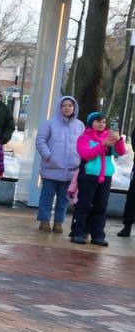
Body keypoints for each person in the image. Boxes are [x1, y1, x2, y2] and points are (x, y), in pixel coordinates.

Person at [70, 111, 126, 247]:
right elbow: (86, 155)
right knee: (84, 205)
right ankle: (78, 233)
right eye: (98, 121)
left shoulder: (109, 137)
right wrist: (102, 144)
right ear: (91, 123)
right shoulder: (84, 138)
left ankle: (98, 235)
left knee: (101, 207)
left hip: (105, 177)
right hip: (88, 176)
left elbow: (121, 152)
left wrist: (118, 140)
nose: (101, 124)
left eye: (104, 122)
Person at [34, 95, 84, 233]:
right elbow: (40, 140)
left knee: (64, 199)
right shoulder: (49, 123)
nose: (67, 108)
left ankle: (58, 222)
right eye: (64, 105)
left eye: (70, 105)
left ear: (74, 108)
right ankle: (44, 221)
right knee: (47, 196)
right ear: (60, 107)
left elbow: (83, 144)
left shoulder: (80, 125)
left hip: (70, 171)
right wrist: (48, 155)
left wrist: (79, 159)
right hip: (51, 168)